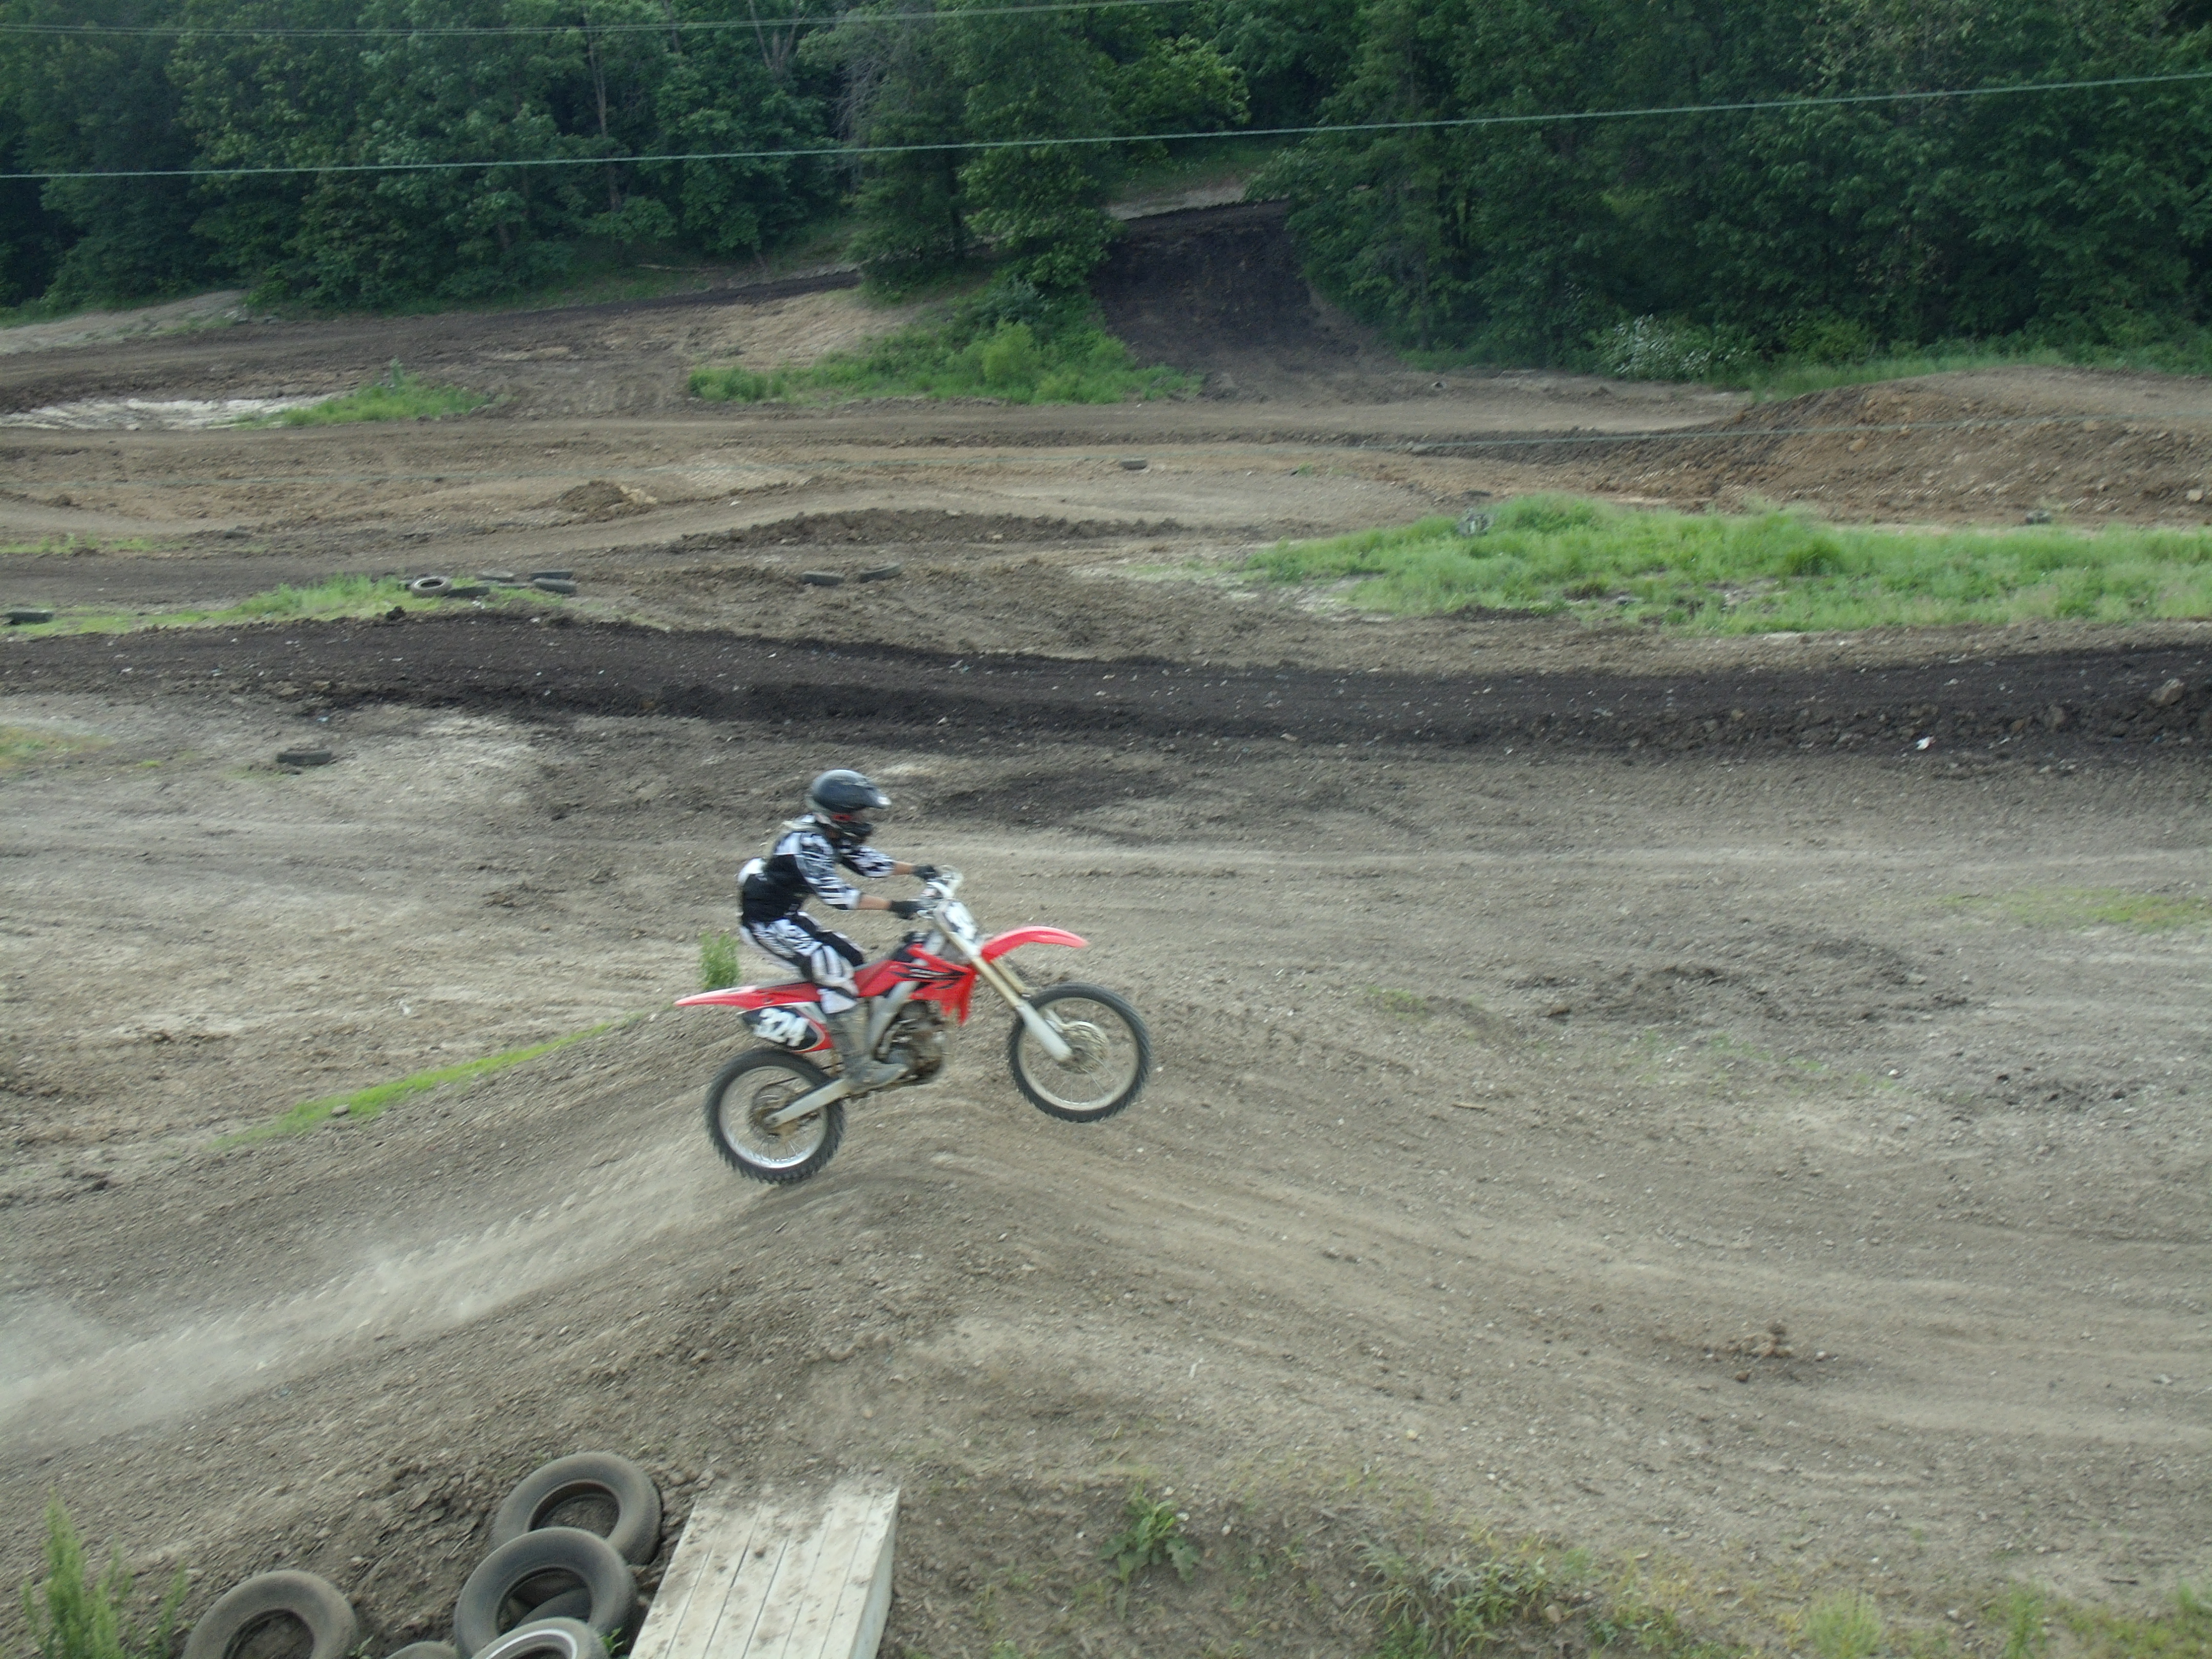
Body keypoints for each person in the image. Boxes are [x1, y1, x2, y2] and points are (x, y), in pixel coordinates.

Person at [738, 769, 938, 1092]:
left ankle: (870, 1039)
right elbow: (839, 896)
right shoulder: (806, 843)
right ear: (838, 815)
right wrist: (897, 906)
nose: (863, 818)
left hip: (788, 917)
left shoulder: (830, 834)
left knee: (854, 960)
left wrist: (919, 871)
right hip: (766, 925)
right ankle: (859, 1070)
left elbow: (867, 862)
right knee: (834, 971)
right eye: (857, 812)